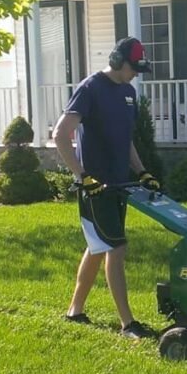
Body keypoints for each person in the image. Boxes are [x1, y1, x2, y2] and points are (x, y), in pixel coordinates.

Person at [52, 36, 161, 340]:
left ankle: (75, 310)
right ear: (117, 61)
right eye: (133, 67)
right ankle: (128, 324)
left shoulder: (128, 93)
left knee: (99, 246)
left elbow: (126, 140)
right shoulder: (91, 88)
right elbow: (60, 134)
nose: (136, 74)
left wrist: (142, 171)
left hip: (119, 185)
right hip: (96, 187)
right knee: (116, 247)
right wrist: (82, 176)